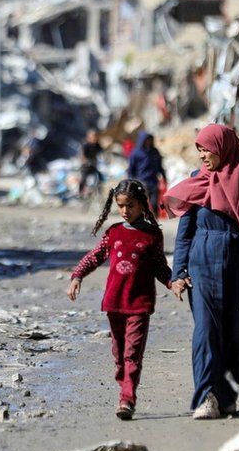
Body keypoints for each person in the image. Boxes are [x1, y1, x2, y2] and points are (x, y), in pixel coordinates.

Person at [166, 124, 239, 420]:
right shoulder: (197, 181)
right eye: (198, 148)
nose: (201, 154)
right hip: (203, 266)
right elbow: (185, 233)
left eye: (206, 148)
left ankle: (227, 396)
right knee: (206, 332)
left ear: (223, 148)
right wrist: (178, 273)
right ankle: (206, 397)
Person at [68, 179, 173, 421]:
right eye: (121, 206)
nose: (125, 211)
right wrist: (77, 276)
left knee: (132, 354)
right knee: (118, 355)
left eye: (131, 206)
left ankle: (127, 399)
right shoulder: (113, 232)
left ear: (142, 205)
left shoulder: (152, 234)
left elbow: (159, 266)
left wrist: (173, 282)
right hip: (114, 303)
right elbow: (95, 256)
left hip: (139, 304)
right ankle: (123, 383)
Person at [128, 132, 165, 212]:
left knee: (154, 203)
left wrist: (164, 177)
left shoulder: (155, 152)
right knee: (141, 202)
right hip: (141, 180)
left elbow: (159, 166)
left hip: (153, 181)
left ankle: (155, 220)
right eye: (147, 140)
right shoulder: (136, 152)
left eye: (150, 140)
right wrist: (131, 181)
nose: (148, 142)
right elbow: (131, 168)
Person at [79, 129, 103, 196]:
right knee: (83, 178)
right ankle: (80, 193)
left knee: (99, 177)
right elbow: (82, 155)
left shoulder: (97, 144)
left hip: (94, 164)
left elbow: (101, 151)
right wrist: (85, 161)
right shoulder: (86, 145)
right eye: (93, 136)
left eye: (95, 136)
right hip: (86, 165)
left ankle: (98, 192)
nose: (94, 137)